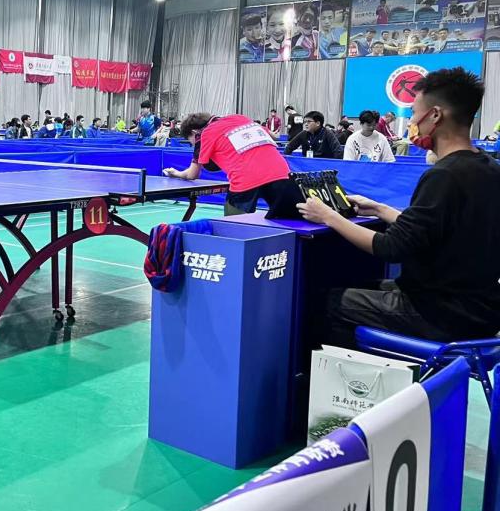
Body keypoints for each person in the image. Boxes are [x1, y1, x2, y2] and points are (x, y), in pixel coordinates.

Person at [298, 67, 500, 347]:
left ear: (435, 115)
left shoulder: (444, 176)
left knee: (327, 301)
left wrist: (329, 216)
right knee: (358, 282)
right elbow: (438, 228)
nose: (412, 122)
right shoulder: (489, 169)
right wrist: (380, 209)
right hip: (480, 309)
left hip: (438, 311)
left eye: (414, 113)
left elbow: (390, 247)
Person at [163, 113, 297, 216]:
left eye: (190, 141)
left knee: (233, 228)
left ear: (194, 133)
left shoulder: (204, 135)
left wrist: (176, 173)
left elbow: (192, 174)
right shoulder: (240, 118)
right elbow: (274, 136)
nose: (193, 145)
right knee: (288, 223)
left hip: (246, 179)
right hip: (282, 173)